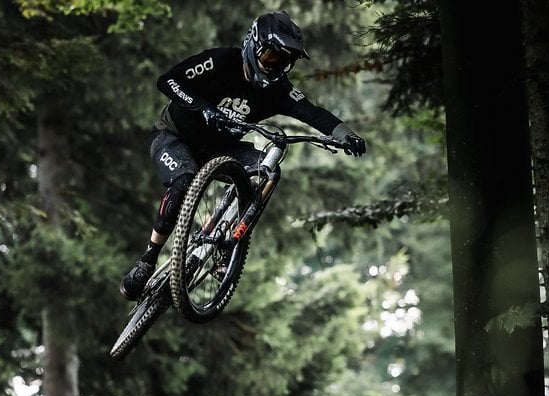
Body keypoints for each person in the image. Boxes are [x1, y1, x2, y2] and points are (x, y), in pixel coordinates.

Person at [120, 10, 367, 301]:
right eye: (271, 58)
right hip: (174, 137)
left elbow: (313, 113)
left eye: (284, 62)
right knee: (182, 184)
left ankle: (228, 244)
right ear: (253, 45)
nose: (275, 68)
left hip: (220, 149)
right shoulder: (221, 61)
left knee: (267, 170)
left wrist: (346, 135)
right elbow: (168, 81)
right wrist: (203, 108)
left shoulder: (278, 90)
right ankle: (147, 261)